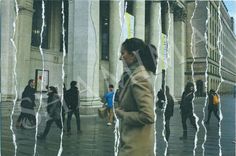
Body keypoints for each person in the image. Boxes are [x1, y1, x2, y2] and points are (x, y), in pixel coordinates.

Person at [115, 38, 157, 156]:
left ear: (133, 55)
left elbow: (148, 116)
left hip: (135, 149)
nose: (120, 57)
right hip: (134, 145)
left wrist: (122, 114)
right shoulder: (133, 76)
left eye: (123, 53)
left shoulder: (139, 78)